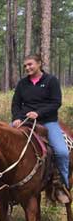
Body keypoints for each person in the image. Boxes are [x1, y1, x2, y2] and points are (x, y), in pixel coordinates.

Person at [11, 54, 70, 203]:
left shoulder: (51, 81)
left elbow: (56, 103)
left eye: (30, 64)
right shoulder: (22, 84)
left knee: (62, 152)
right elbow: (16, 104)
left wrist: (38, 113)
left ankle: (61, 185)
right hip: (24, 121)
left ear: (39, 64)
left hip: (47, 122)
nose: (27, 68)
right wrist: (16, 118)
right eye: (25, 66)